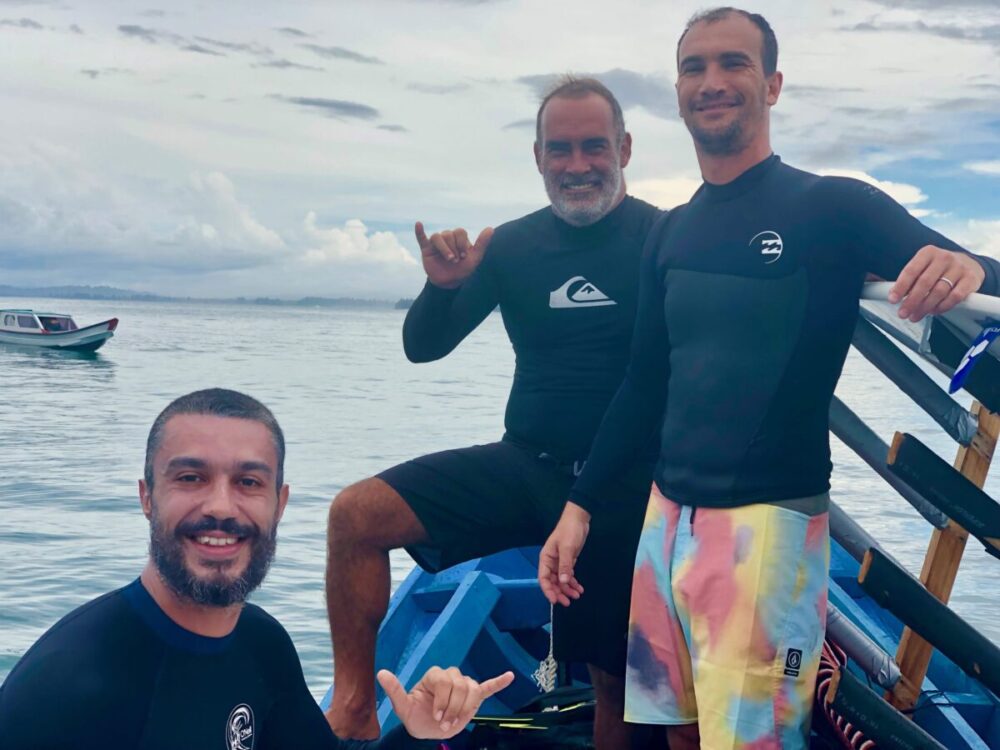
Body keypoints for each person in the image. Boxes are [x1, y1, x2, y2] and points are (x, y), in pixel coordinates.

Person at [539, 8, 1000, 750]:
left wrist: (969, 266)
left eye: (735, 63)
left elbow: (977, 274)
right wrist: (580, 506)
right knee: (678, 732)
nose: (712, 82)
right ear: (678, 92)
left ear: (773, 84)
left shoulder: (833, 207)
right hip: (666, 520)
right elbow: (644, 384)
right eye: (694, 67)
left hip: (768, 532)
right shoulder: (671, 230)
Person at [324, 77, 664, 748]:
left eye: (594, 147)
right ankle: (355, 710)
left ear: (624, 149)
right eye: (559, 149)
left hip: (622, 485)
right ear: (537, 158)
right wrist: (440, 287)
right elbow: (423, 347)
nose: (577, 165)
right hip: (525, 464)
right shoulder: (511, 246)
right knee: (356, 516)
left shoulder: (662, 238)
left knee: (613, 679)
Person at [0, 388, 512, 749]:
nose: (221, 507)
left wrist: (419, 734)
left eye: (248, 483)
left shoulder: (260, 643)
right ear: (147, 497)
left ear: (279, 504)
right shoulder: (66, 693)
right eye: (191, 477)